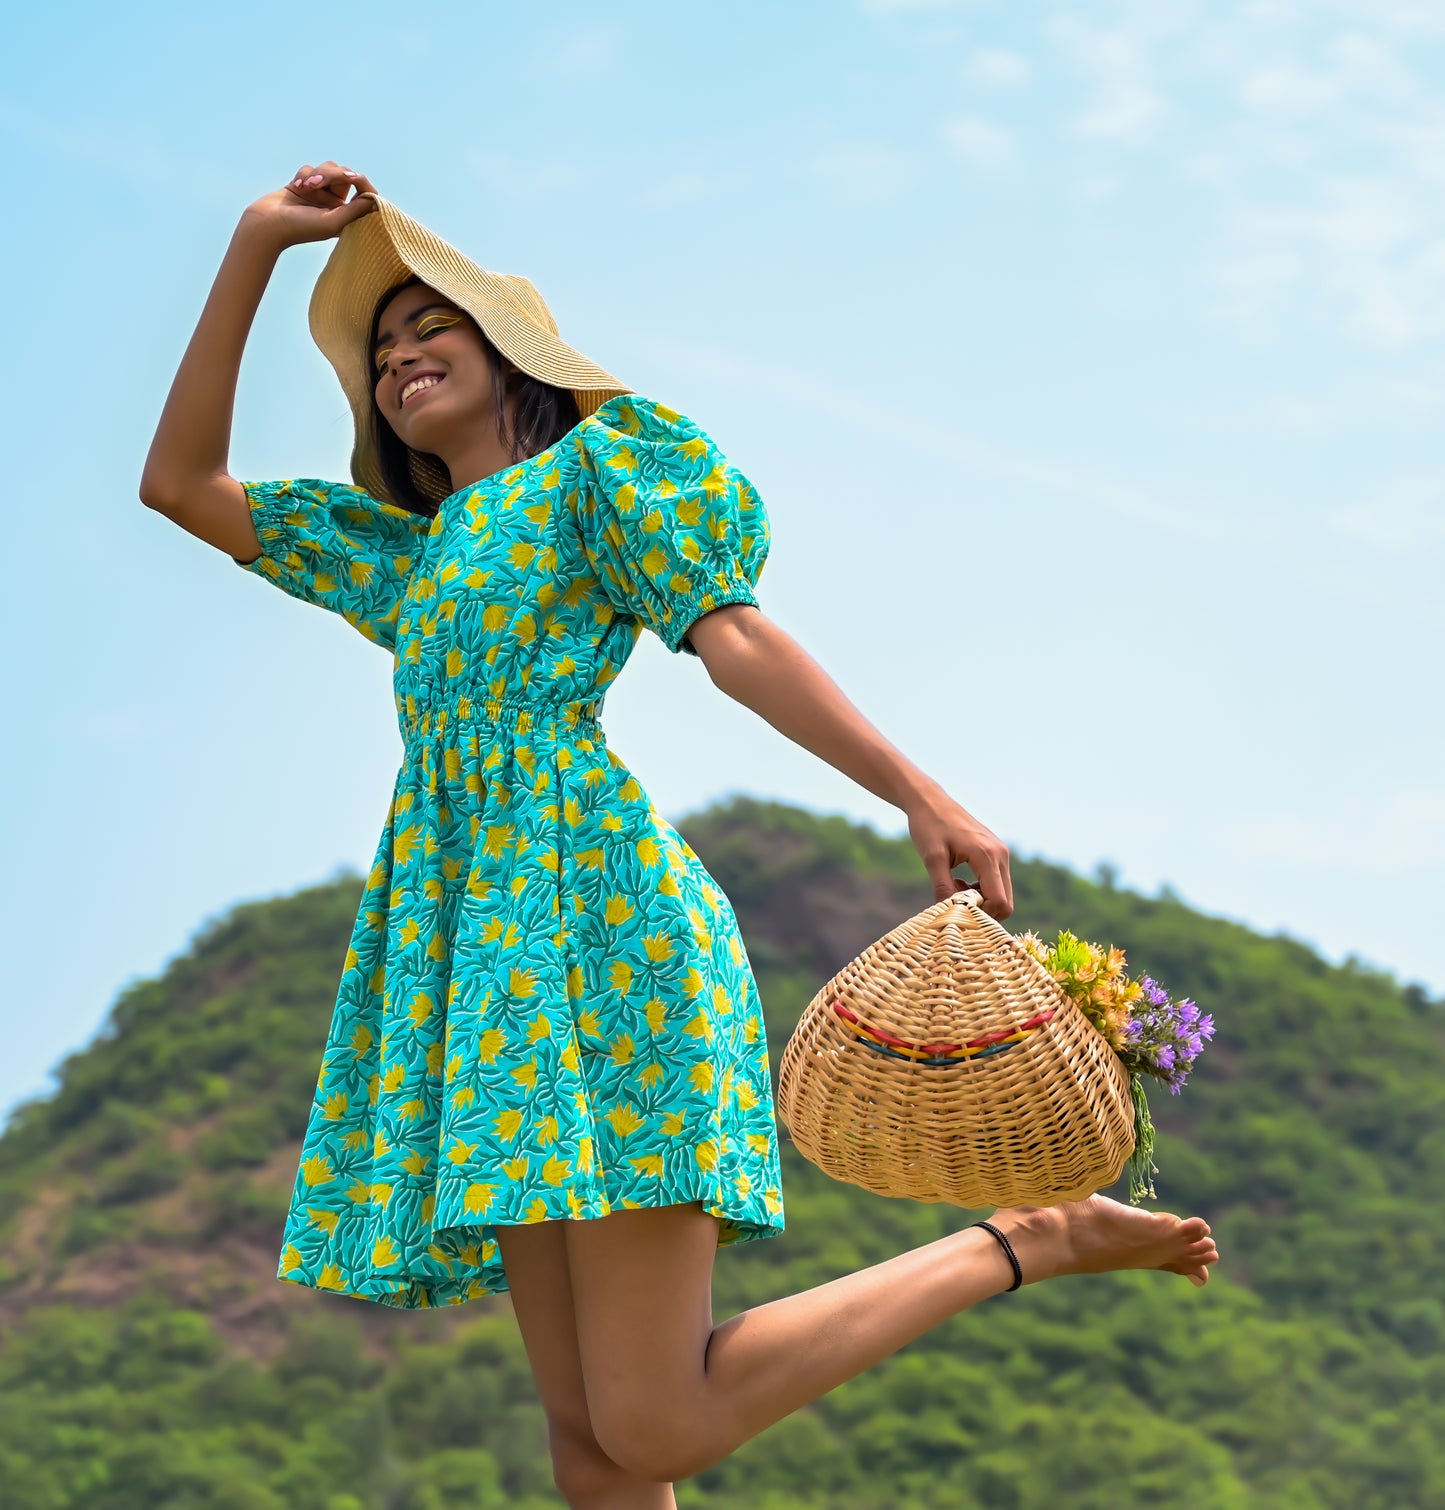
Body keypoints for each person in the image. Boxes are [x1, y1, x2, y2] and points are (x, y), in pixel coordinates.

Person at [140, 160, 1219, 1510]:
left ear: (512, 355)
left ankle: (1025, 1240)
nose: (403, 355)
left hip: (601, 941)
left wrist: (912, 788)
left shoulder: (598, 467)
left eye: (433, 327)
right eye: (381, 348)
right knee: (591, 1450)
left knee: (650, 1422)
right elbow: (179, 483)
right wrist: (252, 247)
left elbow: (732, 634)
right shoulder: (407, 557)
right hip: (486, 981)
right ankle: (1021, 1243)